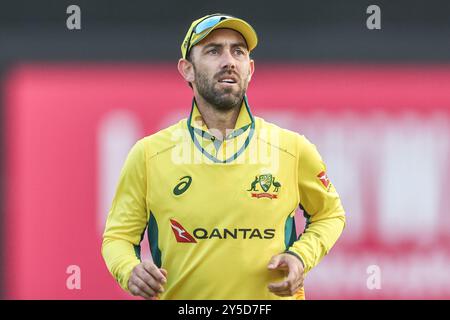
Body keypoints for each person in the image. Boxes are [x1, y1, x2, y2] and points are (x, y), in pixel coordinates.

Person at [102, 13, 346, 300]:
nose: (229, 60)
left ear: (250, 69)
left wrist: (301, 256)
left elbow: (330, 214)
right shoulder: (149, 155)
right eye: (213, 50)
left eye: (238, 51)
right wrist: (129, 269)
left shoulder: (292, 149)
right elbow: (118, 237)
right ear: (187, 69)